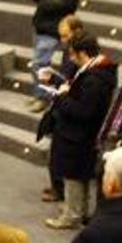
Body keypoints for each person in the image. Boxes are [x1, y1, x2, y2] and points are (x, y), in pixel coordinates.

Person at [45, 35, 117, 230]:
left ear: (83, 53)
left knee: (73, 176)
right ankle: (80, 211)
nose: (70, 58)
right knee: (80, 175)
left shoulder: (95, 79)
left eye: (72, 54)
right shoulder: (96, 72)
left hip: (78, 136)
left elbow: (83, 111)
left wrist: (62, 97)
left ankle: (71, 216)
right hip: (81, 135)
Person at [27, 0, 84, 113]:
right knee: (39, 64)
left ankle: (43, 98)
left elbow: (48, 4)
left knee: (40, 65)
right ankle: (40, 94)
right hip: (41, 27)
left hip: (52, 31)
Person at [39, 14, 85, 203]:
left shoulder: (79, 54)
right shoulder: (69, 51)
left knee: (59, 153)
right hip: (62, 104)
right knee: (55, 152)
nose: (62, 41)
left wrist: (57, 83)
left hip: (68, 110)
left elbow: (72, 84)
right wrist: (54, 79)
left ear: (77, 32)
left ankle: (59, 189)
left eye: (65, 36)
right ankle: (56, 186)